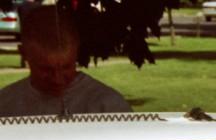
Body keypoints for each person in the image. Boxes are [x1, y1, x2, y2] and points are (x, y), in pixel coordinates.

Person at [0, 6, 132, 117]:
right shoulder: (5, 104)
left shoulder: (107, 106)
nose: (58, 79)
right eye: (46, 69)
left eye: (66, 67)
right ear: (24, 53)